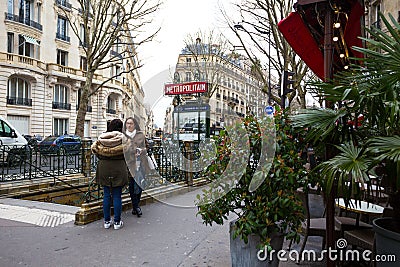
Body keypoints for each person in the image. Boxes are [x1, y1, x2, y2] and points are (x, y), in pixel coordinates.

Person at [91, 119, 128, 230]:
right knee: (117, 196)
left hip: (104, 167)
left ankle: (107, 221)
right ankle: (117, 222)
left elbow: (95, 151)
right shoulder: (124, 139)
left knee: (106, 195)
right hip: (119, 167)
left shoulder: (101, 138)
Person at [123, 117, 150, 217]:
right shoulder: (123, 136)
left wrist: (142, 150)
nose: (129, 125)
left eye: (131, 123)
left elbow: (147, 147)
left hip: (140, 163)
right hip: (129, 164)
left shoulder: (140, 135)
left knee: (139, 185)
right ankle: (136, 207)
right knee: (131, 186)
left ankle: (136, 205)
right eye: (127, 123)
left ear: (135, 125)